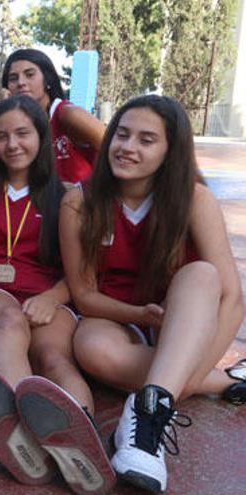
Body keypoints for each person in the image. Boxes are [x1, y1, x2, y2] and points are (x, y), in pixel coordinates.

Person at [59, 95, 246, 493]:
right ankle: (216, 382)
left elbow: (231, 299)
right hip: (116, 316)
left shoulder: (194, 199)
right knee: (91, 349)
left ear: (169, 151)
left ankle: (146, 420)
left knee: (203, 275)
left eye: (146, 140)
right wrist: (143, 318)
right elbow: (84, 294)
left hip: (183, 322)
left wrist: (186, 375)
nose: (127, 147)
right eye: (121, 135)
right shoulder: (79, 200)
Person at [0, 96, 114, 493]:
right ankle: (21, 439)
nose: (12, 144)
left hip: (47, 294)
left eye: (23, 133)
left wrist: (54, 296)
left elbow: (81, 273)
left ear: (41, 137)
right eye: (2, 136)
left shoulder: (65, 195)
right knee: (8, 322)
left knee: (55, 357)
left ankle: (80, 442)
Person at [2, 49, 104, 185]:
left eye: (29, 74)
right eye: (13, 78)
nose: (21, 82)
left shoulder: (67, 114)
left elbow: (115, 148)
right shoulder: (16, 127)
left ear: (47, 80)